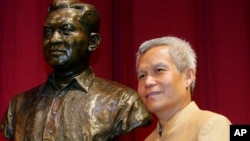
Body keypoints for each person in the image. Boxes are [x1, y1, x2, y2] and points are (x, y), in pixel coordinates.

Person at [0, 0, 152, 140]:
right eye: (48, 32)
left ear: (92, 42)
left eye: (66, 31)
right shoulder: (18, 105)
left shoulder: (123, 102)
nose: (54, 39)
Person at [135, 36, 231, 141]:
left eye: (159, 70)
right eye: (142, 76)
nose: (148, 82)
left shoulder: (214, 124)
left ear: (188, 76)